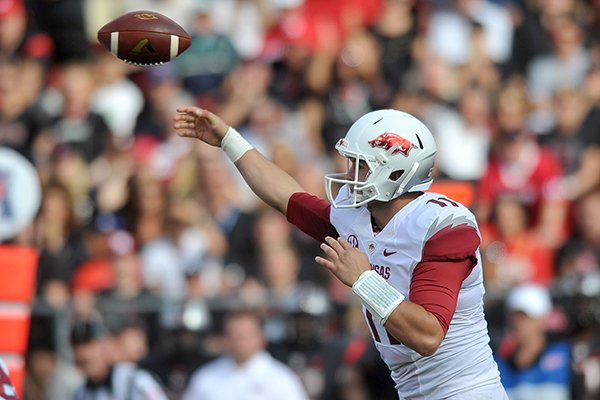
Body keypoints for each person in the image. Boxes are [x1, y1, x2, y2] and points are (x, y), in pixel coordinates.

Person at [173, 106, 508, 398]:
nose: (350, 175)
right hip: (411, 390)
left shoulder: (443, 227)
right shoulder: (360, 217)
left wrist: (364, 280)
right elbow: (285, 197)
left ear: (395, 171)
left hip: (466, 390)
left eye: (361, 166)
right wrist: (229, 140)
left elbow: (428, 334)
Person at [181, 309, 308, 400]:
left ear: (261, 338)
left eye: (246, 335)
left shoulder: (281, 379)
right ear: (225, 338)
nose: (240, 341)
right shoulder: (206, 377)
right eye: (234, 335)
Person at [495, 284, 573, 400]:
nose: (517, 322)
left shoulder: (566, 356)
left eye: (525, 316)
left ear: (543, 318)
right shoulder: (496, 364)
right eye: (513, 316)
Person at [70, 318, 168, 400]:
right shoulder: (80, 393)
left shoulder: (134, 380)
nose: (84, 354)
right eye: (77, 348)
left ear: (106, 346)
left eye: (90, 346)